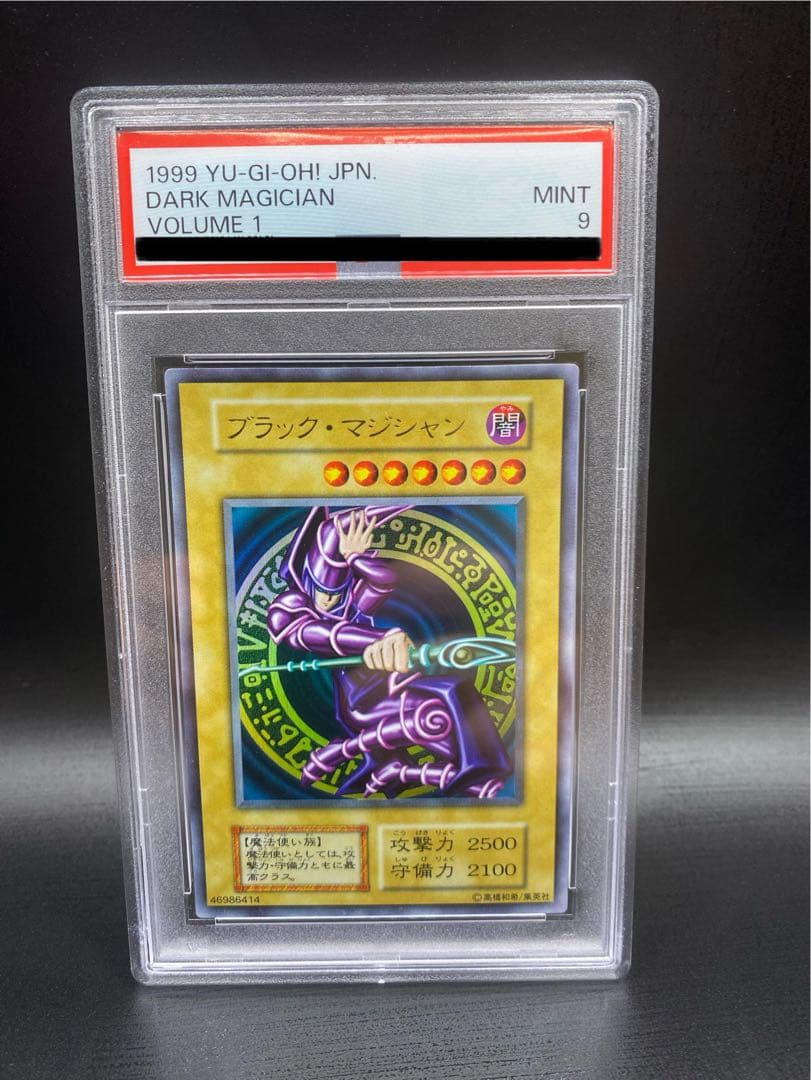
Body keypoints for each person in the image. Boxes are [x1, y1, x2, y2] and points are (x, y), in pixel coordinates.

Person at [267, 505, 512, 798]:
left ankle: (466, 771)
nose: (330, 601)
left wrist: (355, 558)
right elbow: (314, 634)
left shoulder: (350, 604)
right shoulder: (293, 609)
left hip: (390, 686)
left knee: (450, 693)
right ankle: (470, 775)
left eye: (337, 592)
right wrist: (376, 639)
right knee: (436, 710)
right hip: (362, 701)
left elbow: (384, 581)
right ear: (307, 580)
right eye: (323, 592)